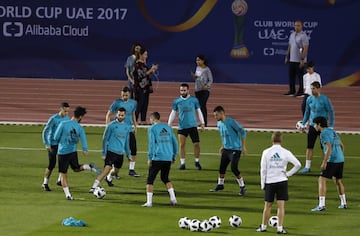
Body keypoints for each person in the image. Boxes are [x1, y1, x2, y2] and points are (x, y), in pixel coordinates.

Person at [256, 132, 301, 234]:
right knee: (281, 206)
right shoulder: (286, 152)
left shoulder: (266, 152)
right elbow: (298, 164)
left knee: (267, 206)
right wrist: (288, 174)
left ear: (272, 140)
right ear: (281, 140)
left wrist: (263, 183)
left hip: (270, 182)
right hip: (282, 181)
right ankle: (280, 228)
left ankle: (263, 227)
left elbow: (263, 169)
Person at [53, 106, 100, 200]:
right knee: (76, 168)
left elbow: (55, 137)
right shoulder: (79, 128)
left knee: (63, 174)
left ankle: (68, 195)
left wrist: (62, 140)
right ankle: (88, 166)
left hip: (63, 153)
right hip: (73, 152)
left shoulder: (63, 124)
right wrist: (85, 149)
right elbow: (83, 139)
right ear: (80, 117)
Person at [89, 107, 130, 193]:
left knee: (115, 171)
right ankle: (93, 187)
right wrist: (104, 153)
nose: (121, 116)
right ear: (116, 114)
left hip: (120, 153)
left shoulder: (127, 127)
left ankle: (109, 178)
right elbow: (105, 139)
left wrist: (128, 154)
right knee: (106, 170)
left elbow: (126, 141)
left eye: (122, 115)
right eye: (119, 115)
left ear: (125, 115)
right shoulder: (111, 125)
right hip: (111, 152)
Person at [311, 116, 347, 211]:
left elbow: (329, 148)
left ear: (319, 124)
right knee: (338, 181)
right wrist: (340, 157)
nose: (314, 126)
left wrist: (324, 162)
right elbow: (342, 146)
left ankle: (321, 205)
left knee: (322, 180)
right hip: (340, 159)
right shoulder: (332, 131)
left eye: (315, 124)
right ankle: (344, 203)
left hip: (332, 160)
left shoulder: (323, 134)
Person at [142, 112, 178, 207]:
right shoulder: (168, 128)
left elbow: (152, 144)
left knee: (150, 179)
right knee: (165, 178)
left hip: (158, 157)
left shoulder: (152, 129)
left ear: (152, 119)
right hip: (168, 157)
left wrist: (150, 158)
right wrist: (174, 156)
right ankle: (173, 198)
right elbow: (175, 143)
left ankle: (149, 202)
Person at [298, 81, 335, 173]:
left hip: (323, 127)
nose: (312, 90)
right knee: (309, 146)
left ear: (319, 89)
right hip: (312, 126)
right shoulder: (309, 99)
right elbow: (307, 112)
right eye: (311, 88)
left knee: (324, 147)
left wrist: (331, 126)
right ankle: (307, 167)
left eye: (313, 88)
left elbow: (331, 112)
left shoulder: (325, 100)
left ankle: (325, 167)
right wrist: (303, 123)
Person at [210, 106, 247, 195]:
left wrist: (243, 146)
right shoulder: (219, 124)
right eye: (214, 115)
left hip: (235, 149)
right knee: (222, 168)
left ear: (222, 113)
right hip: (226, 149)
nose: (215, 117)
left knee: (234, 168)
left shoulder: (231, 122)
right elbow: (223, 136)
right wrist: (222, 146)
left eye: (216, 115)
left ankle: (242, 186)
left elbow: (243, 131)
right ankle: (220, 184)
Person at [168, 83, 205, 170]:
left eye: (184, 90)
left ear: (188, 90)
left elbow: (199, 111)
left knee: (196, 144)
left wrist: (202, 123)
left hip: (192, 126)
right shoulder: (177, 101)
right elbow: (173, 113)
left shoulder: (194, 100)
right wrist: (169, 123)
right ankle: (182, 163)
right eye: (181, 90)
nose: (183, 92)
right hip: (182, 127)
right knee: (181, 145)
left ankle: (197, 162)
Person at [105, 86, 139, 178]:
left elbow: (133, 114)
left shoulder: (133, 103)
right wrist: (109, 128)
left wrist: (135, 126)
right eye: (123, 95)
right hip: (118, 130)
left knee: (133, 149)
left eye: (126, 95)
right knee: (116, 150)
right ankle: (114, 172)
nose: (124, 97)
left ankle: (131, 169)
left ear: (129, 94)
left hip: (129, 129)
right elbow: (108, 115)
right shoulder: (116, 103)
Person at [41, 102, 70, 191]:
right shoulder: (53, 119)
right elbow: (45, 131)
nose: (66, 113)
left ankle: (59, 180)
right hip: (53, 144)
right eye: (65, 111)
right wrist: (47, 144)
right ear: (60, 109)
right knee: (52, 164)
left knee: (64, 162)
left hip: (62, 144)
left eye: (68, 111)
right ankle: (45, 183)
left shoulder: (67, 118)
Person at [133, 47, 158, 125]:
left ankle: (143, 120)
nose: (146, 56)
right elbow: (141, 75)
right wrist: (150, 70)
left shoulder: (143, 64)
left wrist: (152, 70)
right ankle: (135, 121)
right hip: (140, 87)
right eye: (145, 54)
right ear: (141, 55)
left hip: (146, 87)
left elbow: (146, 74)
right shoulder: (137, 64)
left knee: (145, 104)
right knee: (139, 104)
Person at [284, 20, 309, 97]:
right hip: (292, 59)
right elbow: (290, 46)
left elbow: (305, 48)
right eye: (295, 25)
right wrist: (287, 56)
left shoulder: (304, 36)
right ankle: (292, 90)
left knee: (300, 76)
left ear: (301, 26)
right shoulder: (292, 35)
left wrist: (302, 59)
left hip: (299, 60)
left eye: (298, 25)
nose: (296, 27)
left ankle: (301, 91)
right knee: (291, 76)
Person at [191, 54, 213, 127]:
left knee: (202, 105)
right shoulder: (197, 68)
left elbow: (211, 80)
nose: (197, 61)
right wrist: (195, 77)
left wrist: (207, 86)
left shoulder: (207, 69)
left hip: (205, 90)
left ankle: (205, 123)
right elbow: (198, 78)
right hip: (197, 89)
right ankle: (202, 122)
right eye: (196, 60)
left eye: (199, 60)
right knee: (199, 106)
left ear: (203, 61)